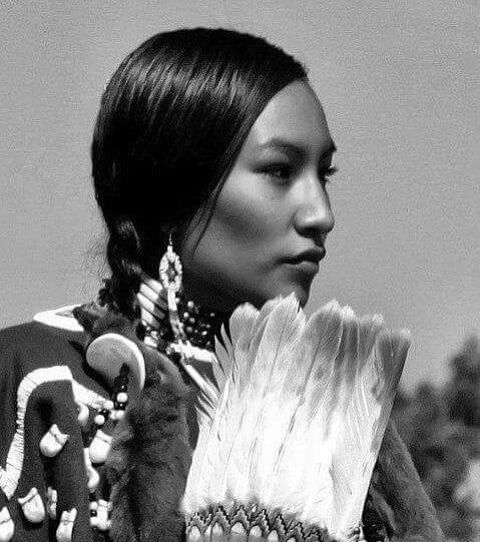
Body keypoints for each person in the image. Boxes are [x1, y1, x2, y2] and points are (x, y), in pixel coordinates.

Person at [0, 28, 442, 542]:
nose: (322, 214)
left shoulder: (344, 424)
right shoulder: (35, 378)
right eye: (279, 171)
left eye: (325, 173)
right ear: (170, 194)